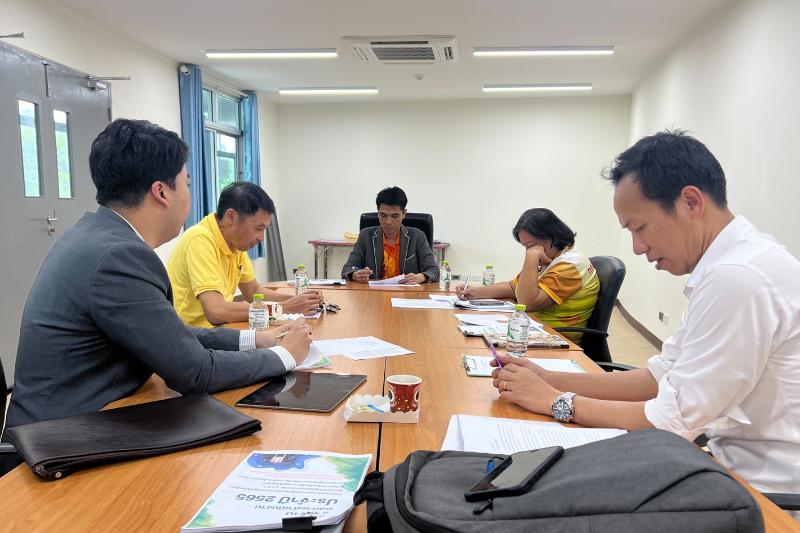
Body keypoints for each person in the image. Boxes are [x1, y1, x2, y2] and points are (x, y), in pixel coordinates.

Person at [489, 130, 800, 500]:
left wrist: (554, 401)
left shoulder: (739, 279)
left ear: (691, 203)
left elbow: (670, 421)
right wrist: (547, 378)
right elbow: (660, 377)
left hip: (762, 495)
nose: (637, 247)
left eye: (639, 227)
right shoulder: (736, 266)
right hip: (726, 469)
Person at [2, 119, 312, 462]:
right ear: (162, 192)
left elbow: (169, 334)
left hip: (79, 421)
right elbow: (194, 373)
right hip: (56, 444)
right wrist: (285, 356)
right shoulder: (119, 257)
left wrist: (256, 339)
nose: (189, 195)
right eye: (187, 184)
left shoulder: (96, 236)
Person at [166, 182, 323, 328]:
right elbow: (216, 311)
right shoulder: (200, 240)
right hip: (190, 334)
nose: (262, 238)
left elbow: (253, 291)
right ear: (231, 217)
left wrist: (297, 301)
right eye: (258, 228)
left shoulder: (235, 244)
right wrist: (284, 308)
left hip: (219, 329)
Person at [456, 209, 599, 340]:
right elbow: (513, 287)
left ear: (552, 236)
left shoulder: (570, 266)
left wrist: (532, 256)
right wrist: (476, 292)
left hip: (555, 338)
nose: (527, 251)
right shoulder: (553, 258)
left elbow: (526, 303)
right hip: (535, 329)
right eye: (525, 247)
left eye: (531, 246)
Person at [341, 187, 438, 284]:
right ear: (378, 212)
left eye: (395, 216)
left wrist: (421, 277)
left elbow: (434, 270)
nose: (388, 222)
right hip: (374, 292)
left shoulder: (417, 236)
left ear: (404, 214)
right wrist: (355, 275)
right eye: (383, 215)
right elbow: (347, 269)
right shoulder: (365, 236)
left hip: (407, 291)